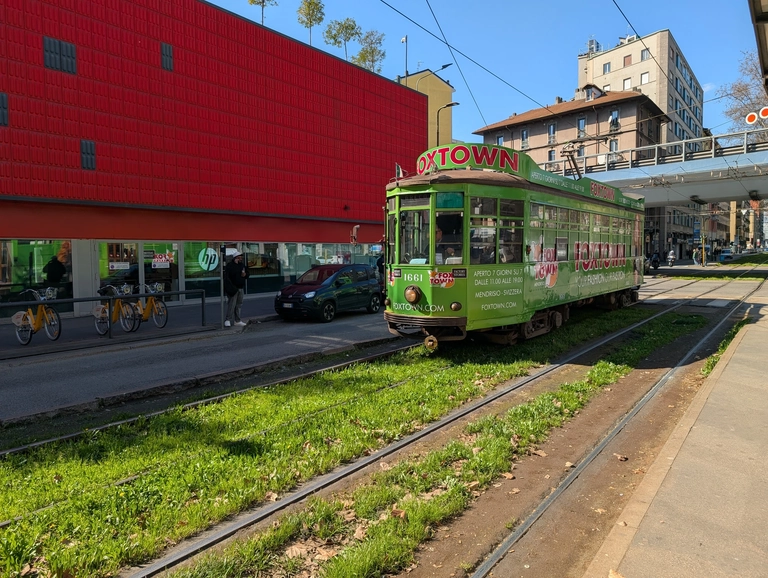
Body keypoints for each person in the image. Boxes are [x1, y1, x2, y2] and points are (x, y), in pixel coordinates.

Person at [224, 251, 249, 327]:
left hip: (240, 288)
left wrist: (245, 275)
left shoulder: (242, 265)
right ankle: (228, 319)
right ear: (235, 258)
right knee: (232, 304)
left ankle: (237, 320)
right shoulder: (230, 266)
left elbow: (247, 274)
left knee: (239, 304)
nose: (240, 259)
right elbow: (227, 277)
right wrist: (231, 288)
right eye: (239, 257)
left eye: (241, 257)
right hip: (233, 288)